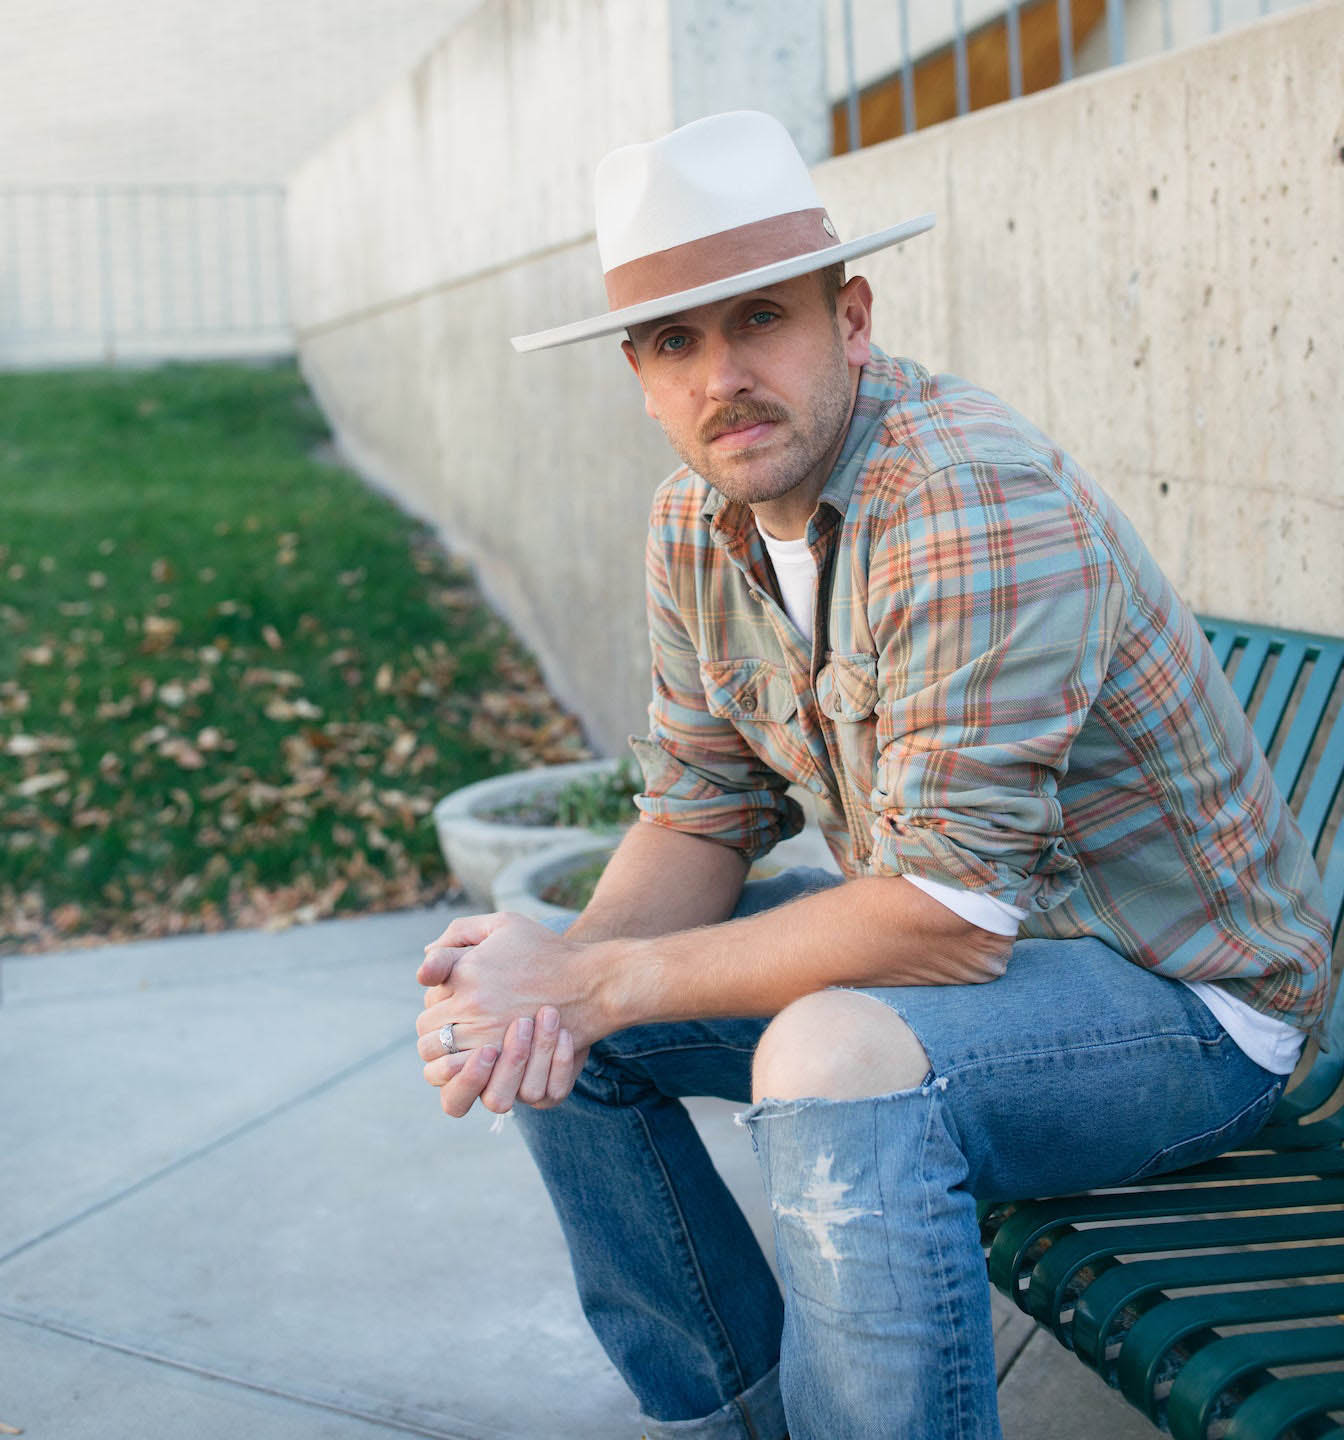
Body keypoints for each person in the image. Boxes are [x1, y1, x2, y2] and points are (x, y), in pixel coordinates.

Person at [413, 110, 1331, 1440]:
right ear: (640, 375)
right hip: (981, 959)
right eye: (677, 340)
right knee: (557, 1027)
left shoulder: (967, 499)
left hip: (1187, 1004)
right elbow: (702, 811)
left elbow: (945, 921)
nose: (722, 374)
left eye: (760, 320)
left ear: (849, 320)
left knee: (831, 1055)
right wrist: (549, 992)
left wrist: (591, 979)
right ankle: (738, 1416)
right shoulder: (694, 523)